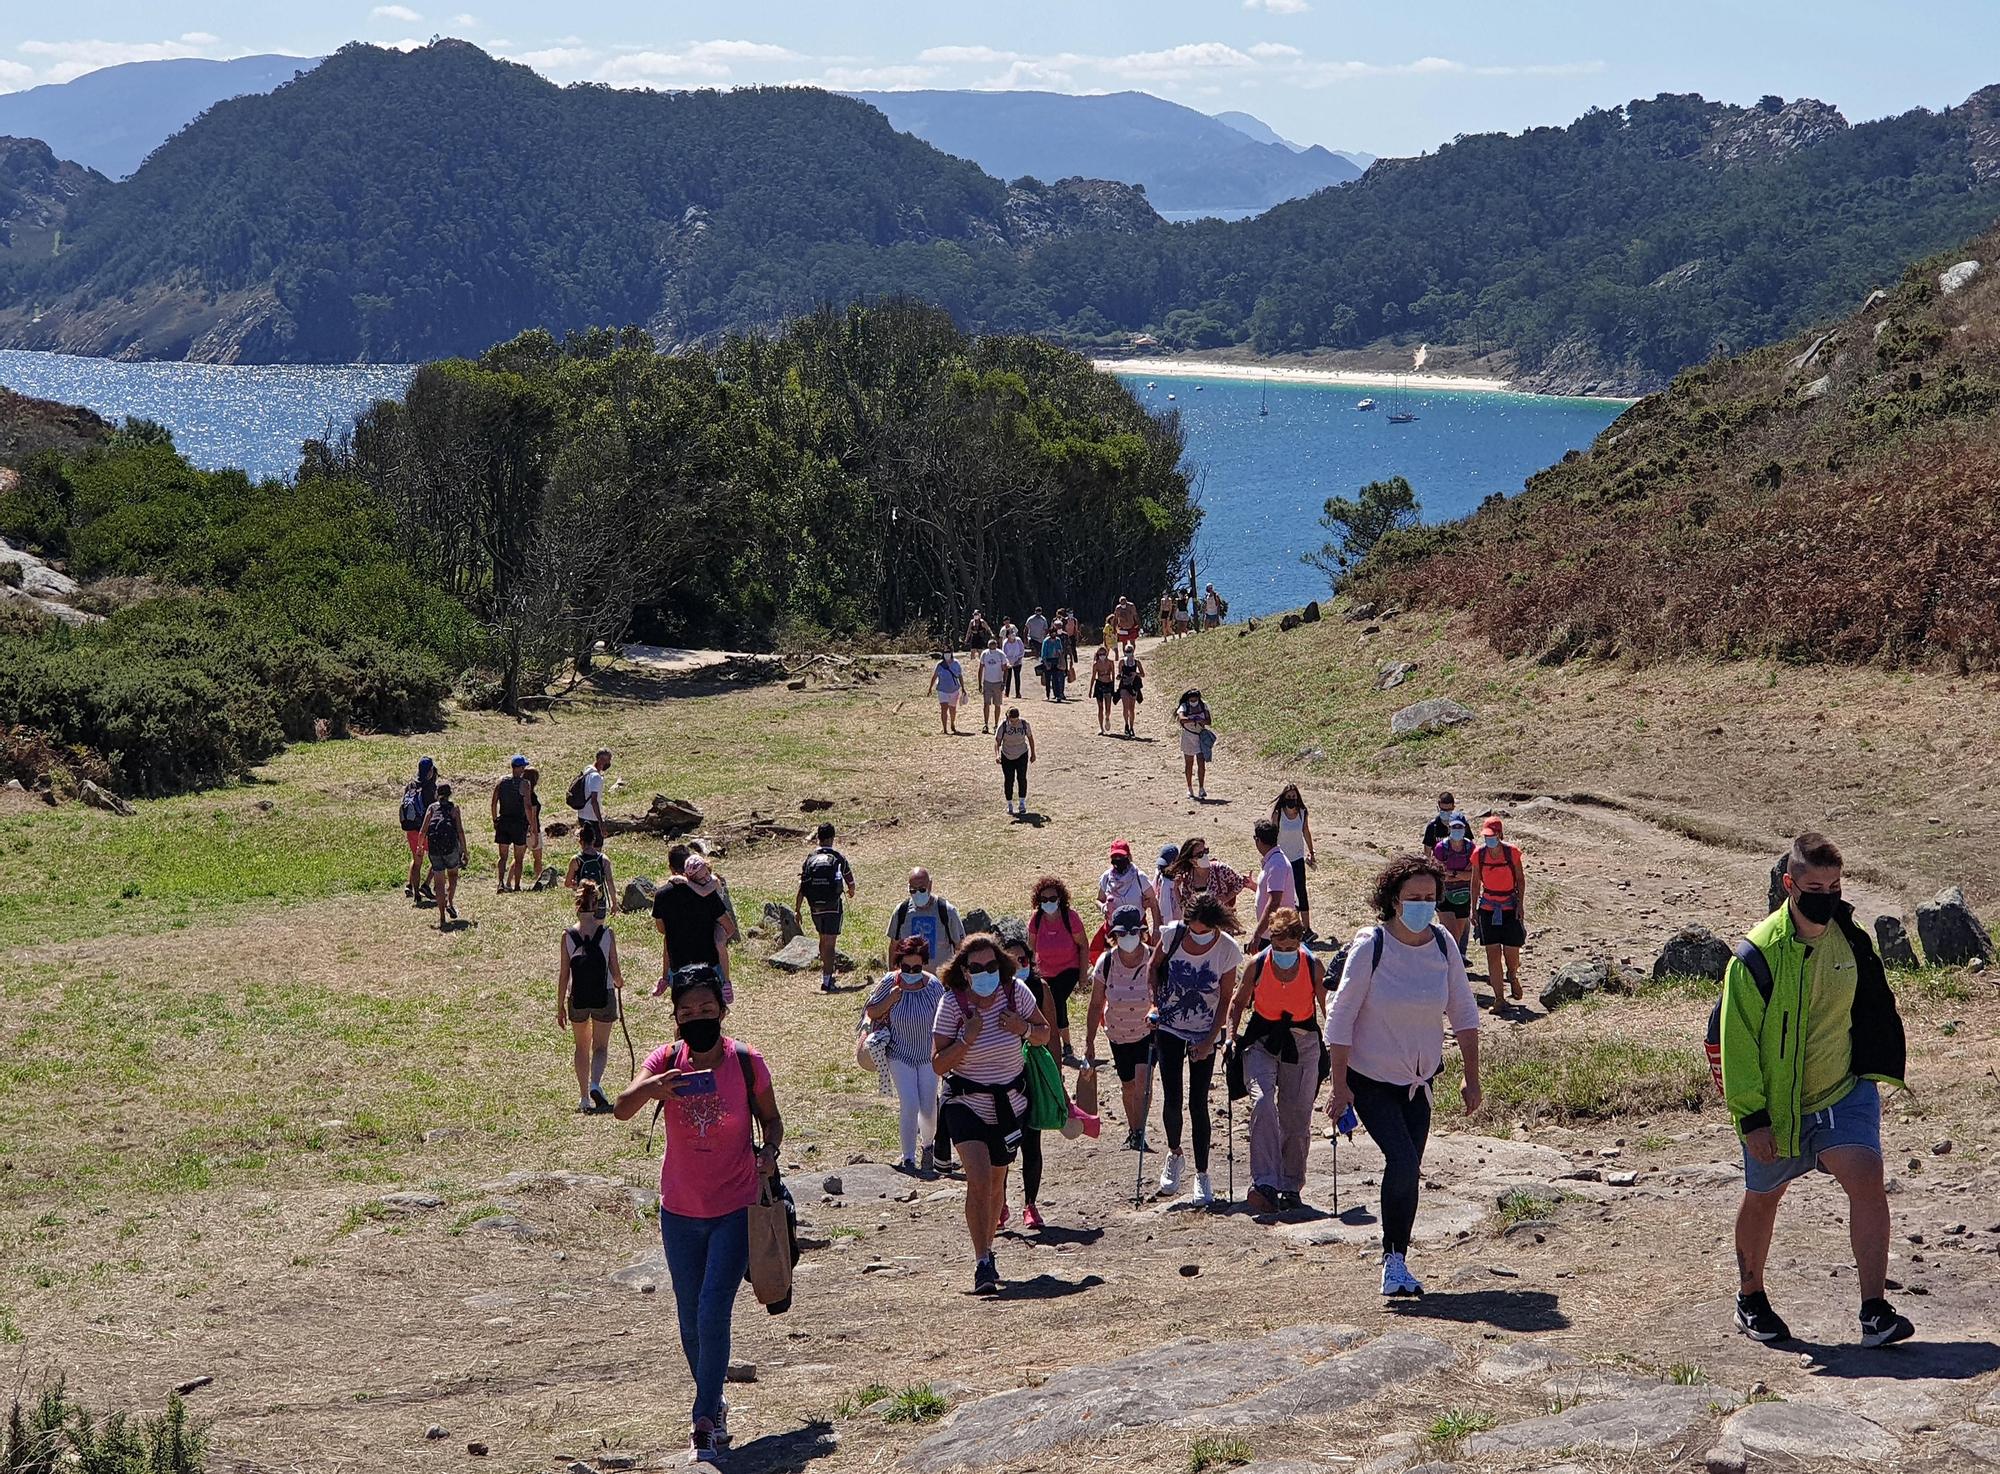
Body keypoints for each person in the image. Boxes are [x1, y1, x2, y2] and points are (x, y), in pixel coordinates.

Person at [1723, 833, 1912, 1348]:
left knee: (1867, 1178)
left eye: (1834, 884)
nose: (1826, 895)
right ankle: (1750, 1297)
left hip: (1842, 1092)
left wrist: (1877, 1067)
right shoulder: (1755, 956)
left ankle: (1874, 1310)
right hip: (1777, 1108)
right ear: (1789, 885)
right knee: (1764, 1197)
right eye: (1814, 886)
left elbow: (1870, 1007)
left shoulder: (1851, 939)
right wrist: (1751, 1118)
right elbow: (1735, 1042)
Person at [613, 968, 782, 1464]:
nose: (698, 1019)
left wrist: (769, 1150)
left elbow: (771, 1119)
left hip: (735, 1206)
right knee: (689, 1318)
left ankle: (704, 1417)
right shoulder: (665, 1060)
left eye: (707, 1011)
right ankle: (716, 1403)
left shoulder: (747, 1063)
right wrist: (652, 1089)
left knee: (712, 1309)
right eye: (687, 1013)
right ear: (676, 1019)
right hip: (679, 1210)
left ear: (723, 1012)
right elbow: (621, 1108)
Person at [1324, 854, 1482, 1297]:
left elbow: (1465, 1012)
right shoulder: (1370, 945)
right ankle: (1392, 1265)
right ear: (1394, 900)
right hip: (1370, 1080)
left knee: (1409, 1169)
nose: (1423, 905)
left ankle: (1399, 1258)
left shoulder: (1443, 944)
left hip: (1420, 1082)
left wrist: (1472, 1077)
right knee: (1404, 1161)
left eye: (1430, 898)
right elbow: (1340, 1018)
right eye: (1414, 897)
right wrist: (1340, 1088)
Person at [932, 932, 1050, 1293]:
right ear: (964, 971)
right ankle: (982, 1261)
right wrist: (966, 1038)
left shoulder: (1016, 993)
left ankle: (989, 1249)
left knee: (997, 1184)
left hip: (1008, 1106)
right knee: (979, 1180)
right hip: (965, 1102)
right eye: (977, 967)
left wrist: (1024, 1029)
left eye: (991, 965)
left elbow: (1044, 1033)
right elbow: (938, 1064)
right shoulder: (952, 1004)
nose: (985, 972)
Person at [1228, 906, 1325, 1213]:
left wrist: (1338, 1046)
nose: (1284, 952)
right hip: (1262, 1041)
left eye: (1290, 947)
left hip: (1303, 1043)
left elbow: (1328, 1007)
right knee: (1263, 1102)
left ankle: (1290, 1184)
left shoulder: (1312, 965)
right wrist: (1231, 1036)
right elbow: (1237, 1003)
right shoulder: (1257, 964)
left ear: (1300, 943)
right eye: (1279, 947)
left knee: (1297, 1118)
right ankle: (1265, 1181)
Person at [1150, 895, 1239, 1206]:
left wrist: (1209, 1040)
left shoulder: (1227, 949)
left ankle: (1202, 1174)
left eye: (1203, 930)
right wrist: (1154, 1005)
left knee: (1198, 1102)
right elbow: (1154, 967)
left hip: (1204, 1030)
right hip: (1169, 1026)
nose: (1197, 934)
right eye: (1193, 929)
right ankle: (1174, 1153)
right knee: (1172, 1096)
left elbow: (1225, 999)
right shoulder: (1173, 934)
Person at [865, 935, 947, 1175]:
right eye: (906, 967)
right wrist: (890, 999)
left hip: (927, 1055)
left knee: (929, 1108)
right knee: (910, 1104)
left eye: (917, 967)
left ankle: (928, 1147)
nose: (911, 972)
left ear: (924, 965)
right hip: (899, 1054)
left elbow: (946, 1017)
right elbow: (871, 1011)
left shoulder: (933, 986)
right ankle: (908, 1157)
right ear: (899, 964)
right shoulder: (888, 983)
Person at [1084, 905, 1156, 1151]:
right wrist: (1089, 1042)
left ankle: (1140, 1130)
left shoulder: (1153, 958)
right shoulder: (1106, 962)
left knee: (1143, 1081)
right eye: (1122, 934)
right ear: (1113, 936)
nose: (1128, 938)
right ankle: (1134, 1129)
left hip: (1147, 1032)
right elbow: (1095, 1005)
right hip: (1118, 1033)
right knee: (1128, 1085)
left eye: (1133, 932)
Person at [1000, 935, 1058, 1230]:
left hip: (1033, 1077)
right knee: (1003, 1146)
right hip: (1002, 1080)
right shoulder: (993, 992)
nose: (1018, 965)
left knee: (1031, 1143)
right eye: (1011, 960)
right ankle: (1001, 1203)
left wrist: (1056, 1082)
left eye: (1022, 960)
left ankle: (1030, 1205)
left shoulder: (1039, 988)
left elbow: (1051, 1035)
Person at [558, 880, 626, 1113]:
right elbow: (616, 973)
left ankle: (584, 1097)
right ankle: (596, 1083)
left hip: (576, 997)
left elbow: (564, 974)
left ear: (577, 905)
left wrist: (560, 1005)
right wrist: (619, 982)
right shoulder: (607, 933)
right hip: (603, 996)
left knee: (581, 1047)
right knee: (600, 1047)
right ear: (596, 904)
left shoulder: (567, 935)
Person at [654, 843, 734, 998]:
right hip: (710, 966)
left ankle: (664, 978)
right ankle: (726, 983)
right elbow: (729, 927)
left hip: (679, 967)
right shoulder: (707, 891)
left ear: (671, 868)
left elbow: (661, 929)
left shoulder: (661, 895)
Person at [1027, 874, 1089, 1065]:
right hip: (1044, 971)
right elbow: (1030, 950)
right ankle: (1060, 1044)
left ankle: (1061, 1045)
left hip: (1068, 968)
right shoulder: (1036, 920)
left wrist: (1083, 976)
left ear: (1060, 898)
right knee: (1051, 1004)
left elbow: (1083, 945)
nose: (1049, 902)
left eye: (1053, 898)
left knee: (1056, 1001)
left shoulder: (1070, 917)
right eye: (1044, 899)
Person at [1470, 816, 1527, 1006]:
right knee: (1492, 954)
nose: (1489, 839)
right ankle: (1499, 999)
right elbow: (1475, 882)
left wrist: (1520, 905)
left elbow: (1520, 879)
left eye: (1492, 836)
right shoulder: (1479, 855)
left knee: (1512, 952)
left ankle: (1512, 975)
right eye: (1486, 836)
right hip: (1487, 908)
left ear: (1500, 835)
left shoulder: (1512, 853)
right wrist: (1473, 909)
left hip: (1509, 907)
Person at [795, 822, 856, 993]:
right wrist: (851, 891)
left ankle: (826, 973)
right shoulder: (838, 857)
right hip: (833, 906)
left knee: (822, 940)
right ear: (832, 838)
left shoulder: (809, 858)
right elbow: (850, 882)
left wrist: (797, 909)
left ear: (818, 838)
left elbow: (802, 886)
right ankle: (827, 980)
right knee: (830, 944)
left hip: (815, 906)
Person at [887, 868, 967, 960]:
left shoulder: (947, 911)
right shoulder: (901, 911)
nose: (918, 893)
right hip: (912, 973)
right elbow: (894, 946)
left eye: (922, 889)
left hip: (940, 974)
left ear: (930, 885)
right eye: (913, 890)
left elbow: (960, 946)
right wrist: (892, 972)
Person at [1096, 839, 1163, 950]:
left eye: (1121, 857)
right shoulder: (1107, 877)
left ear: (1129, 857)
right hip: (1114, 930)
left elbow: (1153, 904)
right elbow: (1099, 899)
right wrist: (1103, 907)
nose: (1118, 861)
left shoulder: (1140, 878)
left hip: (1137, 928)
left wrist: (1156, 929)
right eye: (1115, 858)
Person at [1166, 835, 1246, 922]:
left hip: (1220, 924)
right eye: (1200, 854)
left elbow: (1240, 883)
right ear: (1191, 860)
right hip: (1199, 927)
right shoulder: (1188, 878)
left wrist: (1227, 897)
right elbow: (1185, 907)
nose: (1204, 855)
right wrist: (1175, 888)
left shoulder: (1220, 869)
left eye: (1205, 851)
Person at [1273, 785, 1318, 936]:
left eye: (1294, 797)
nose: (1292, 800)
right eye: (1289, 797)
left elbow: (1306, 831)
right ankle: (1292, 925)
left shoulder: (1302, 813)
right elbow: (1272, 835)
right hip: (1281, 859)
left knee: (1301, 892)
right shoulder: (1278, 814)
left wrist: (1311, 852)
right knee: (1286, 894)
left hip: (1297, 858)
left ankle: (1307, 928)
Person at [423, 781, 465, 929]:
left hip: (434, 848)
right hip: (450, 847)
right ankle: (450, 902)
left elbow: (423, 830)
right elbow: (459, 831)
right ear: (450, 794)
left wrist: (420, 847)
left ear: (437, 793)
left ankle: (441, 917)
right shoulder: (454, 808)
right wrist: (464, 850)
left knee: (439, 883)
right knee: (453, 875)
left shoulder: (432, 808)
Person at [1249, 818, 1298, 945]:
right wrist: (1254, 886)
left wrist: (1258, 933)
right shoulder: (1274, 861)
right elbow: (1271, 893)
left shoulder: (1276, 864)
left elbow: (1275, 901)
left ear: (1258, 840)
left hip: (1276, 935)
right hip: (1272, 932)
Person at [1432, 815, 1475, 956]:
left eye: (1460, 827)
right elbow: (1439, 875)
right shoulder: (1440, 848)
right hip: (1444, 895)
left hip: (1463, 895)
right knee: (1452, 935)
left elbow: (1473, 875)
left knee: (1458, 934)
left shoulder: (1470, 848)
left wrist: (1452, 873)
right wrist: (1461, 874)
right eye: (1454, 827)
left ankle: (1450, 963)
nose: (1457, 830)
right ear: (1449, 828)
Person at [491, 754, 533, 894]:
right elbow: (527, 806)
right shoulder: (525, 784)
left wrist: (495, 819)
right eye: (523, 767)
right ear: (519, 768)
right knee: (519, 858)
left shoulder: (502, 781)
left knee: (503, 856)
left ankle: (500, 883)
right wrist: (531, 823)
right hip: (518, 823)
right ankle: (517, 885)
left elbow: (494, 802)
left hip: (504, 821)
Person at [400, 755, 438, 903]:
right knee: (437, 859)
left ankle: (416, 894)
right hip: (426, 830)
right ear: (429, 771)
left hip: (410, 828)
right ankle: (427, 885)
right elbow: (434, 810)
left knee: (417, 861)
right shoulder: (430, 788)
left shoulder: (410, 785)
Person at [564, 822, 616, 921]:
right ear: (594, 840)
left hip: (583, 902)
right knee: (598, 931)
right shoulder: (604, 859)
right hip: (599, 900)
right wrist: (614, 903)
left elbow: (567, 883)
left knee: (584, 930)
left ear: (580, 841)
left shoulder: (576, 860)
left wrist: (577, 886)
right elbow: (610, 883)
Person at [995, 706, 1036, 817]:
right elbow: (997, 741)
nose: (1014, 722)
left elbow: (1030, 738)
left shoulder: (1024, 724)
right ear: (1008, 718)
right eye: (1012, 720)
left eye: (1016, 720)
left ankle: (1022, 803)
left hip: (1021, 753)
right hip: (1007, 755)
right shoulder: (1003, 726)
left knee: (1021, 778)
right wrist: (997, 755)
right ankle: (1009, 804)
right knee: (1009, 780)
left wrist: (1033, 753)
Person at [1175, 688, 1213, 800]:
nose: (1193, 701)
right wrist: (1195, 720)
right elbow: (1181, 719)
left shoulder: (1203, 705)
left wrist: (1199, 720)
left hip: (1200, 737)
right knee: (1189, 763)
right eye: (1191, 699)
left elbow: (1208, 721)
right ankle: (1190, 788)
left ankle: (1201, 788)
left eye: (1195, 699)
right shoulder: (1184, 706)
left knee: (1201, 763)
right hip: (1188, 736)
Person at [573, 749, 611, 836]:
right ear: (600, 760)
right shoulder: (596, 777)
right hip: (592, 817)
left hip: (582, 814)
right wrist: (600, 822)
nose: (608, 763)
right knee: (596, 846)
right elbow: (594, 801)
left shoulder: (588, 769)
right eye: (607, 760)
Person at [927, 650, 966, 735]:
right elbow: (934, 676)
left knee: (952, 709)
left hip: (954, 690)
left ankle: (952, 723)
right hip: (942, 690)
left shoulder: (956, 663)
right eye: (945, 653)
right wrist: (930, 688)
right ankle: (944, 728)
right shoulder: (940, 665)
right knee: (944, 709)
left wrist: (963, 688)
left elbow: (960, 676)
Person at [521, 765, 546, 885]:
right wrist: (535, 834)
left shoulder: (521, 795)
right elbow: (533, 817)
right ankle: (538, 880)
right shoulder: (533, 797)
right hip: (532, 829)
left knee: (518, 857)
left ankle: (509, 881)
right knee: (537, 858)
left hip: (522, 828)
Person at [977, 639, 1007, 734]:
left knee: (997, 704)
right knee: (986, 704)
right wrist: (980, 683)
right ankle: (986, 724)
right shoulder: (985, 654)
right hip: (987, 682)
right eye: (990, 646)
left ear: (996, 645)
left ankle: (996, 725)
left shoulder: (1001, 654)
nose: (992, 647)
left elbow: (1005, 669)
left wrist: (1004, 682)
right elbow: (981, 668)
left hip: (998, 682)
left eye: (993, 645)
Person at [1116, 646, 1145, 739]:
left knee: (1131, 708)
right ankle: (1126, 724)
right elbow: (1119, 673)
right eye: (1127, 651)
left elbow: (1143, 674)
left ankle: (1131, 726)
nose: (1128, 653)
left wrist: (1135, 674)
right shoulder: (1121, 662)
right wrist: (1119, 676)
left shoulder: (1137, 662)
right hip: (1124, 685)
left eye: (1130, 651)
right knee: (1125, 706)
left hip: (1133, 685)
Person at [1090, 644, 1118, 735]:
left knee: (1108, 707)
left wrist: (1113, 686)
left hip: (1108, 684)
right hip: (1099, 684)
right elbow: (1093, 677)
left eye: (1103, 653)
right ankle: (1101, 727)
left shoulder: (1110, 662)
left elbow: (1113, 674)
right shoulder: (1096, 665)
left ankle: (1107, 718)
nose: (1102, 655)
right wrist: (1090, 689)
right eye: (1100, 654)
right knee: (1100, 707)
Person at [1154, 843, 1181, 927]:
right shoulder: (1159, 876)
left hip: (1180, 922)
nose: (1163, 868)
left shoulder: (1182, 880)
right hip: (1164, 922)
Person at [1040, 627, 1069, 702]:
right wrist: (1046, 664)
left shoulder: (1058, 640)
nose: (1054, 634)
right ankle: (1047, 695)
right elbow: (1043, 654)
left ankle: (1057, 695)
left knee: (1056, 679)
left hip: (1056, 660)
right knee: (1047, 679)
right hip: (1048, 660)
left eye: (1054, 632)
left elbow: (1060, 650)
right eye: (1052, 632)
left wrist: (1060, 657)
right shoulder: (1046, 641)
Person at [1002, 626, 1026, 699]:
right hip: (1008, 661)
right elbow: (1004, 653)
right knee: (1008, 677)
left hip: (1017, 661)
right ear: (1008, 635)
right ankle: (1007, 693)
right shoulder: (1005, 642)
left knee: (1017, 676)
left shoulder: (1018, 640)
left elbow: (1022, 650)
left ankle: (1018, 693)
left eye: (1013, 633)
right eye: (1011, 633)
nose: (1013, 634)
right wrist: (1007, 663)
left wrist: (1019, 659)